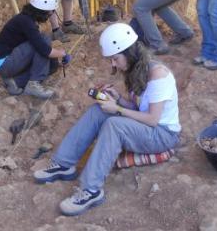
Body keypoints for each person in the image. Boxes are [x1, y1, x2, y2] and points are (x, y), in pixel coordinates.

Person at [33, 23, 181, 216]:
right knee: (99, 111)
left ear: (130, 52)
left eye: (115, 58)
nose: (113, 64)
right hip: (147, 128)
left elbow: (152, 119)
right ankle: (63, 164)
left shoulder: (157, 74)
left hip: (163, 135)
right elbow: (138, 108)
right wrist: (118, 99)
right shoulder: (137, 70)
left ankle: (90, 190)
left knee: (114, 125)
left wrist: (118, 108)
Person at [0, 0, 71, 99]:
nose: (51, 13)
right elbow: (44, 49)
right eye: (52, 11)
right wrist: (63, 53)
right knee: (44, 39)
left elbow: (43, 54)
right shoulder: (25, 21)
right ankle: (33, 84)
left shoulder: (27, 20)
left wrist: (56, 63)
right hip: (4, 63)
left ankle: (15, 82)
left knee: (51, 66)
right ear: (45, 10)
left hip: (7, 63)